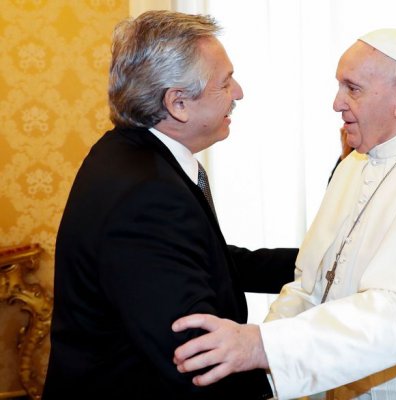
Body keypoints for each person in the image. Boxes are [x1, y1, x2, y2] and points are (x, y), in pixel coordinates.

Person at [171, 29, 396, 399]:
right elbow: (312, 282)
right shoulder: (355, 164)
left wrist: (266, 346)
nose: (336, 103)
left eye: (352, 88)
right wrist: (264, 352)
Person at [42, 10, 296, 400]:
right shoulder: (146, 194)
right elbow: (194, 356)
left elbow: (202, 258)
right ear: (178, 103)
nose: (239, 92)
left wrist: (315, 263)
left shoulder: (127, 151)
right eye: (225, 82)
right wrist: (302, 364)